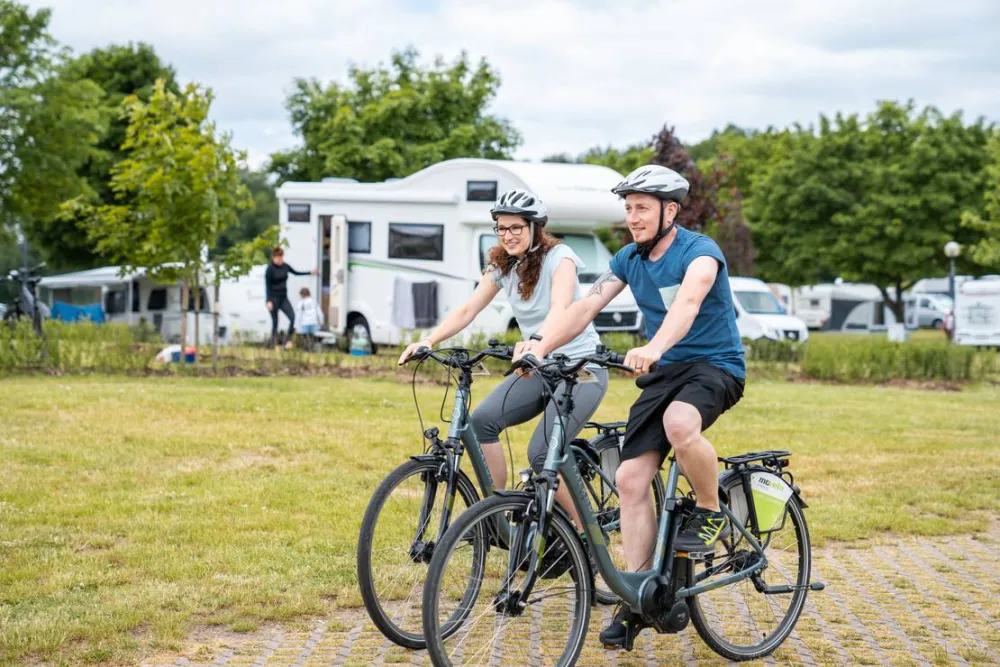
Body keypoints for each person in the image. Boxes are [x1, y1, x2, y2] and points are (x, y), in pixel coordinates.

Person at [514, 165, 746, 647]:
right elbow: (582, 309)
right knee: (629, 479)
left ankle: (710, 508)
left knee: (682, 424)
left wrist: (655, 347)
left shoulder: (700, 252)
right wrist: (539, 342)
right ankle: (641, 594)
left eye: (641, 208)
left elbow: (687, 303)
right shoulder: (627, 258)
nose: (632, 217)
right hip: (663, 372)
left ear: (670, 211)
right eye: (628, 208)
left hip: (713, 366)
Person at [398, 189, 609, 531]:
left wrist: (537, 342)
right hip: (536, 367)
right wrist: (428, 339)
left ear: (534, 227)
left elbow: (561, 309)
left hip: (579, 368)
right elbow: (469, 308)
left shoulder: (561, 257)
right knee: (481, 422)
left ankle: (585, 532)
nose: (508, 235)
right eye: (501, 228)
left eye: (516, 228)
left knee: (542, 453)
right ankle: (497, 517)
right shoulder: (502, 264)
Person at [265, 247, 317, 349]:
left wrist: (310, 272)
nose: (280, 260)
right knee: (275, 322)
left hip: (283, 298)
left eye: (281, 257)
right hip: (273, 298)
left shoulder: (285, 266)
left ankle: (288, 340)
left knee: (293, 317)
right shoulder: (270, 269)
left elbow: (296, 273)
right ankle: (273, 345)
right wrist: (268, 301)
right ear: (274, 258)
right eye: (278, 258)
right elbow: (267, 286)